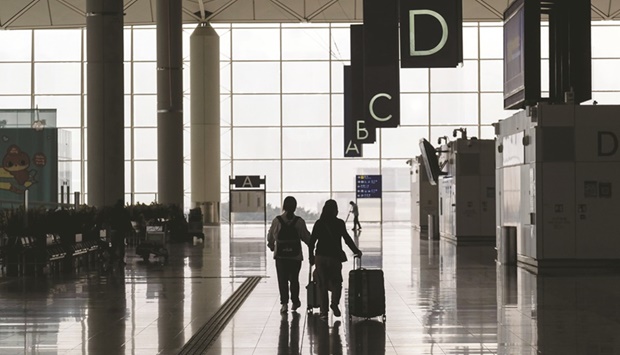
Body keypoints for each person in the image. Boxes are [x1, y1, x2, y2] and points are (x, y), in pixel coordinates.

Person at [309, 199, 362, 320]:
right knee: (337, 282)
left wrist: (311, 257)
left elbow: (312, 242)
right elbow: (347, 239)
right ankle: (334, 303)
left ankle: (323, 311)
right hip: (334, 257)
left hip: (320, 257)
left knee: (322, 284)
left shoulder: (319, 223)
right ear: (334, 210)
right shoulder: (339, 223)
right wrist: (356, 251)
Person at [267, 196, 311, 314]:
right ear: (295, 207)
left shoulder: (277, 220)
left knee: (282, 280)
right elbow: (307, 237)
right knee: (294, 279)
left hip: (280, 256)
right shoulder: (299, 221)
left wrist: (272, 246)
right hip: (295, 257)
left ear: (284, 206)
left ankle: (284, 304)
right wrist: (313, 248)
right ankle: (295, 301)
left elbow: (271, 236)